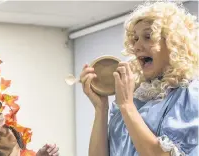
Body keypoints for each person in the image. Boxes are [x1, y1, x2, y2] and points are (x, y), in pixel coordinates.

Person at [80, 1, 198, 156]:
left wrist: (127, 106)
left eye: (148, 37)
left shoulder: (189, 94)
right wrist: (101, 108)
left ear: (173, 43)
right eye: (135, 39)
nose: (137, 47)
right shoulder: (135, 96)